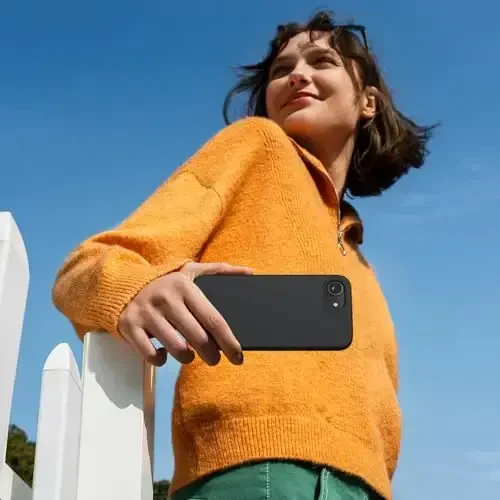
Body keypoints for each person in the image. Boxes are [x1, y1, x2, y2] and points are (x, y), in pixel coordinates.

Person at [52, 10, 433, 500]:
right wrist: (136, 289)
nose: (297, 74)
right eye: (281, 70)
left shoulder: (362, 260)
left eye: (321, 61)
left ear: (368, 102)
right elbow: (87, 265)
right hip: (251, 473)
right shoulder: (256, 144)